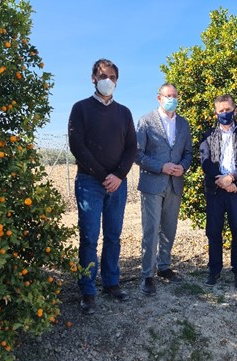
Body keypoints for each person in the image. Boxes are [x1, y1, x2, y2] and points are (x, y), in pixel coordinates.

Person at [68, 58, 137, 314]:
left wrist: (118, 175)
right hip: (89, 182)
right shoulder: (81, 109)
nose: (108, 81)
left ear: (117, 81)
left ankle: (111, 282)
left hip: (118, 184)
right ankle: (87, 290)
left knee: (113, 236)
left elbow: (131, 147)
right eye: (103, 76)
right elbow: (78, 146)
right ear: (93, 78)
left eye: (112, 77)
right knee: (88, 238)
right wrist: (102, 175)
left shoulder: (124, 112)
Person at [135, 83, 193, 296]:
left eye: (175, 96)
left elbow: (188, 153)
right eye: (168, 96)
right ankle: (147, 276)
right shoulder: (146, 121)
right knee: (151, 230)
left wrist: (183, 167)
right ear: (159, 98)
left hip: (174, 184)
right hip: (152, 184)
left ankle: (164, 267)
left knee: (169, 228)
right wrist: (161, 166)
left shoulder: (183, 124)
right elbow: (137, 154)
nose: (172, 99)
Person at [199, 94, 237, 290]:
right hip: (215, 191)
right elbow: (205, 162)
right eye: (221, 111)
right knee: (213, 232)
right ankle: (214, 271)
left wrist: (232, 179)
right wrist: (222, 182)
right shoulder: (208, 136)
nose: (225, 113)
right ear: (215, 113)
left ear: (235, 110)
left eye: (227, 109)